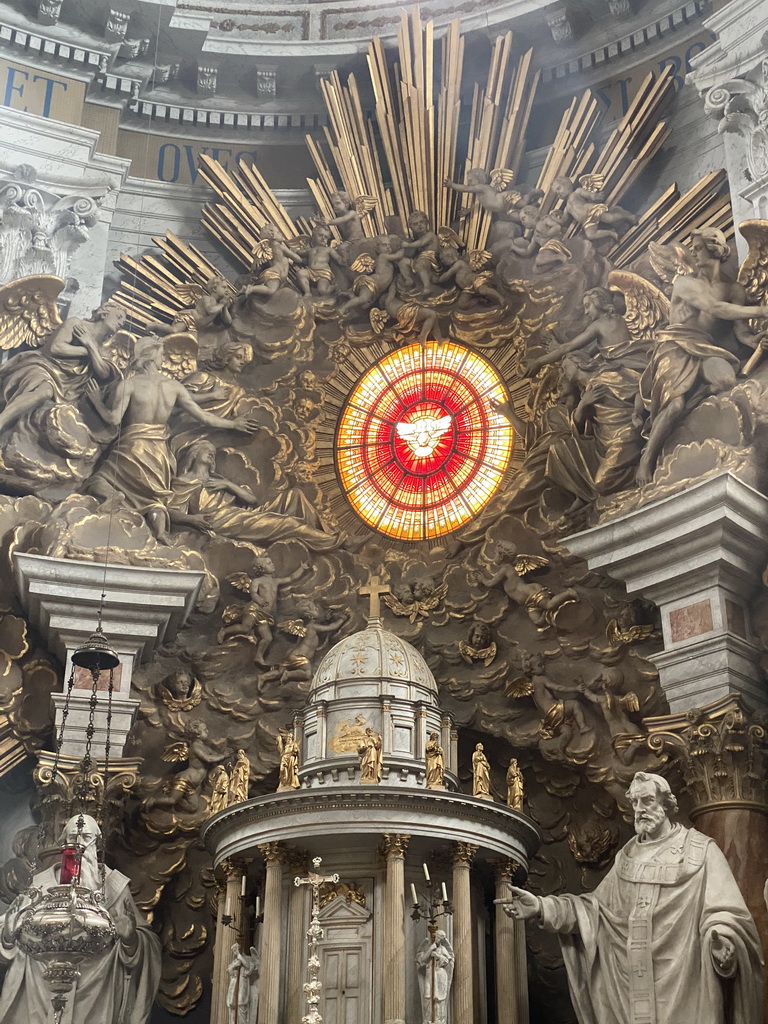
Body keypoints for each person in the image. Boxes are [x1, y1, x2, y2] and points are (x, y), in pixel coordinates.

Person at [500, 772, 763, 1024]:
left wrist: (723, 940)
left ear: (666, 803)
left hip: (686, 981)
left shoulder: (700, 850)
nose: (639, 808)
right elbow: (594, 910)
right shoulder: (629, 855)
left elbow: (725, 911)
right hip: (631, 984)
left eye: (647, 800)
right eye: (635, 802)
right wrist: (542, 907)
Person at [0, 814, 161, 1024]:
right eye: (73, 837)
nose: (79, 845)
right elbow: (8, 926)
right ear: (64, 844)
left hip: (96, 987)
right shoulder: (41, 884)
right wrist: (9, 934)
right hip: (41, 986)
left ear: (97, 843)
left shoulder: (113, 885)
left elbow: (147, 944)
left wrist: (130, 939)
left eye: (86, 837)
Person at [415, 929, 454, 1024]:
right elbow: (422, 960)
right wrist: (430, 950)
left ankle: (438, 1020)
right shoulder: (429, 947)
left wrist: (437, 955)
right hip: (429, 975)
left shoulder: (443, 949)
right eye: (436, 937)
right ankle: (427, 1019)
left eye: (438, 937)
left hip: (440, 975)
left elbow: (447, 961)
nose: (436, 939)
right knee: (428, 997)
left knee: (439, 999)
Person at [226, 942, 260, 1024]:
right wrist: (234, 965)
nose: (235, 952)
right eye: (234, 951)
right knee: (233, 1005)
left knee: (241, 1003)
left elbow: (249, 967)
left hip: (243, 984)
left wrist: (239, 957)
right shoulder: (235, 961)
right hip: (234, 985)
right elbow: (229, 971)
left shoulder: (247, 959)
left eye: (236, 950)